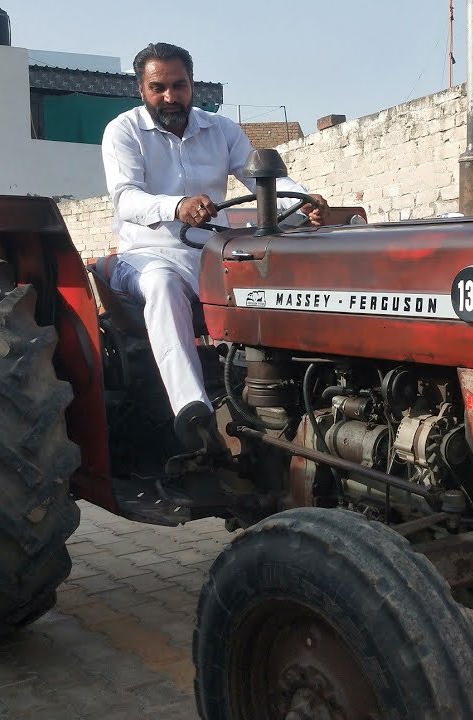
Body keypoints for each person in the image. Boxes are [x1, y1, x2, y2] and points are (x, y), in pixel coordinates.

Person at [101, 41, 328, 453]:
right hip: (146, 254)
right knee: (162, 285)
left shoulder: (220, 129)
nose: (170, 96)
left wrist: (304, 201)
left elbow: (264, 182)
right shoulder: (124, 131)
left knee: (274, 272)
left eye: (179, 85)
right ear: (141, 90)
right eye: (158, 87)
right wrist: (178, 205)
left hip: (211, 252)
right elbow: (125, 198)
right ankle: (193, 410)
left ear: (192, 85)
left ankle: (290, 398)